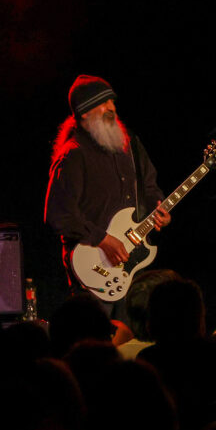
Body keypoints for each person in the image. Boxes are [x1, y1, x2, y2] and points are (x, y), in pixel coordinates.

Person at [44, 75, 170, 311]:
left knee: (133, 337)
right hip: (93, 267)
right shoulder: (73, 155)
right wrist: (102, 239)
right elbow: (60, 214)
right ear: (84, 112)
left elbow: (150, 186)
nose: (111, 107)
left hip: (133, 264)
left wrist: (158, 207)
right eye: (103, 103)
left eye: (112, 101)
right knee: (97, 340)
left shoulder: (129, 144)